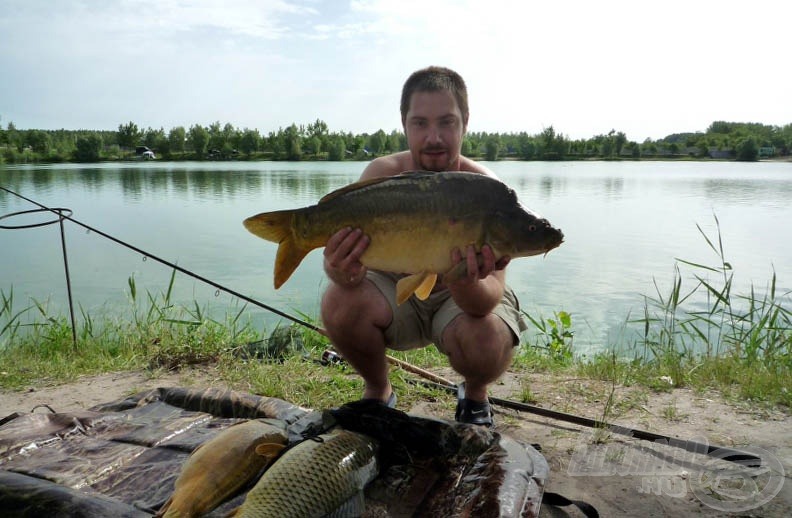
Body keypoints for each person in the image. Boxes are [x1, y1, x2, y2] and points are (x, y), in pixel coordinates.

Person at [320, 66, 527, 426]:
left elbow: (488, 298)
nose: (434, 137)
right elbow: (350, 274)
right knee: (338, 300)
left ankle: (475, 396)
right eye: (420, 123)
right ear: (404, 124)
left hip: (458, 303)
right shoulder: (381, 177)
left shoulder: (487, 191)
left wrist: (465, 280)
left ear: (465, 121)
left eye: (447, 122)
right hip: (395, 295)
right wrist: (340, 270)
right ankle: (378, 391)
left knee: (487, 339)